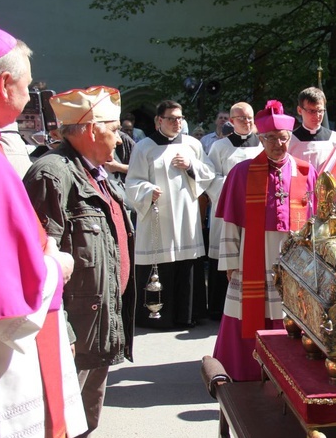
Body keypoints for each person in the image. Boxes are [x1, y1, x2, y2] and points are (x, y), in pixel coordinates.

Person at [0, 23, 86, 438]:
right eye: (28, 86)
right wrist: (56, 265)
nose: (30, 98)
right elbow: (10, 301)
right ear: (5, 83)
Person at [23, 85, 135, 438]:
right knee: (59, 424)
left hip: (97, 322)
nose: (120, 136)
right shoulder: (52, 174)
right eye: (113, 128)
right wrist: (63, 328)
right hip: (72, 330)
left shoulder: (93, 171)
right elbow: (35, 261)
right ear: (89, 129)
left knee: (84, 419)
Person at [212, 100, 317, 380]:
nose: (277, 144)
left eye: (282, 138)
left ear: (289, 138)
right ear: (261, 139)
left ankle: (293, 374)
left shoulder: (306, 172)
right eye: (270, 138)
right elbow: (231, 222)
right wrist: (231, 263)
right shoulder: (242, 172)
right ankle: (245, 368)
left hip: (295, 263)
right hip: (252, 258)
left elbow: (316, 223)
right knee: (248, 314)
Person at [125, 100, 216, 329]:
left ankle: (187, 315)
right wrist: (147, 190)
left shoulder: (192, 145)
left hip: (186, 216)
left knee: (186, 264)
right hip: (157, 217)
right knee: (159, 264)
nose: (177, 122)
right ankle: (156, 316)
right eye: (172, 118)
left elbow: (209, 174)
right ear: (159, 121)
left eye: (180, 118)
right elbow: (132, 181)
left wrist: (191, 166)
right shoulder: (144, 147)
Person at [207, 102, 260, 322]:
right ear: (231, 121)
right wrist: (236, 188)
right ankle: (219, 308)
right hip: (229, 208)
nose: (246, 122)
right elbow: (211, 179)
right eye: (241, 119)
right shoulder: (220, 147)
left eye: (249, 118)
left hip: (256, 209)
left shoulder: (263, 144)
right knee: (227, 253)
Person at [287, 87, 336, 234]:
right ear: (299, 110)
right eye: (311, 111)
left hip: (330, 210)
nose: (317, 115)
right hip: (298, 209)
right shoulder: (289, 142)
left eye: (321, 111)